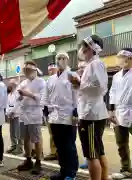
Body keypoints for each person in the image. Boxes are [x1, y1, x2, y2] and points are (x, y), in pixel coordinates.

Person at [72, 35, 109, 180]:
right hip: (92, 113)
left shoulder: (95, 64)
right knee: (99, 152)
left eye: (86, 48)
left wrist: (79, 84)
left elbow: (100, 88)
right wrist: (80, 84)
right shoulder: (92, 65)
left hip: (91, 115)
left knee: (91, 155)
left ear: (93, 49)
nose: (83, 51)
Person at [43, 52, 78, 180]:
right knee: (59, 146)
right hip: (54, 116)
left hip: (68, 115)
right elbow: (46, 95)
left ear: (67, 60)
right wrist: (45, 108)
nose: (60, 60)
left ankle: (71, 173)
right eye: (58, 58)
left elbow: (77, 94)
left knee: (69, 146)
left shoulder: (72, 75)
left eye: (63, 58)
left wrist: (76, 110)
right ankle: (63, 171)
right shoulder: (51, 79)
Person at [17, 61, 46, 175]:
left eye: (28, 70)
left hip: (34, 114)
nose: (26, 72)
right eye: (25, 70)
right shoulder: (23, 82)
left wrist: (29, 94)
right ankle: (28, 160)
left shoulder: (41, 82)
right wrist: (20, 95)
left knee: (36, 139)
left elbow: (43, 99)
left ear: (34, 70)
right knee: (26, 138)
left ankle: (38, 162)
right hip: (24, 114)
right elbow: (17, 97)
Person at [109, 48, 132, 179]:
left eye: (121, 57)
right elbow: (112, 92)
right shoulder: (117, 76)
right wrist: (111, 110)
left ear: (129, 58)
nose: (119, 59)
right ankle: (126, 168)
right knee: (121, 142)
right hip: (119, 112)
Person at [44, 63, 58, 161]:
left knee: (58, 133)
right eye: (49, 70)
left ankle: (59, 152)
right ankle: (54, 152)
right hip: (48, 112)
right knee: (52, 133)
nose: (51, 71)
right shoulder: (48, 81)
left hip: (59, 112)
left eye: (53, 69)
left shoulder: (61, 80)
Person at [6, 79, 23, 155]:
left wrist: (13, 111)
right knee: (12, 132)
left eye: (10, 84)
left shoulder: (18, 93)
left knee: (18, 132)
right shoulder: (9, 95)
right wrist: (8, 113)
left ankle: (19, 148)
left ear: (13, 84)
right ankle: (13, 145)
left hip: (17, 114)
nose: (8, 85)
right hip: (11, 115)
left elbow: (18, 103)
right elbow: (7, 105)